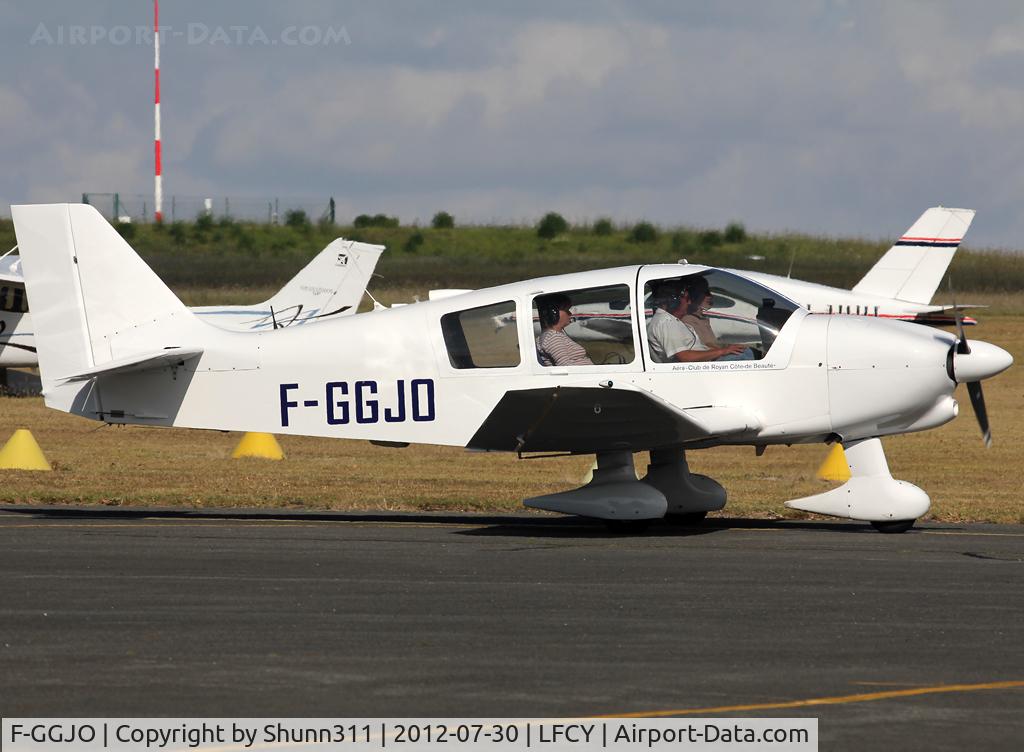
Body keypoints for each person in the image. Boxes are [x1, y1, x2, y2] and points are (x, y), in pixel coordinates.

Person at [647, 278, 746, 363]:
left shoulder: (670, 320)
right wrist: (723, 351)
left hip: (702, 365)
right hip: (697, 369)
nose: (690, 302)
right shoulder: (666, 322)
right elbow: (685, 357)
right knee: (748, 355)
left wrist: (723, 350)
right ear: (673, 301)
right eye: (687, 299)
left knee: (746, 352)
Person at [535, 293, 594, 366]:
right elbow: (565, 366)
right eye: (566, 310)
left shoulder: (554, 335)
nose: (570, 314)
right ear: (553, 313)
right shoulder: (553, 337)